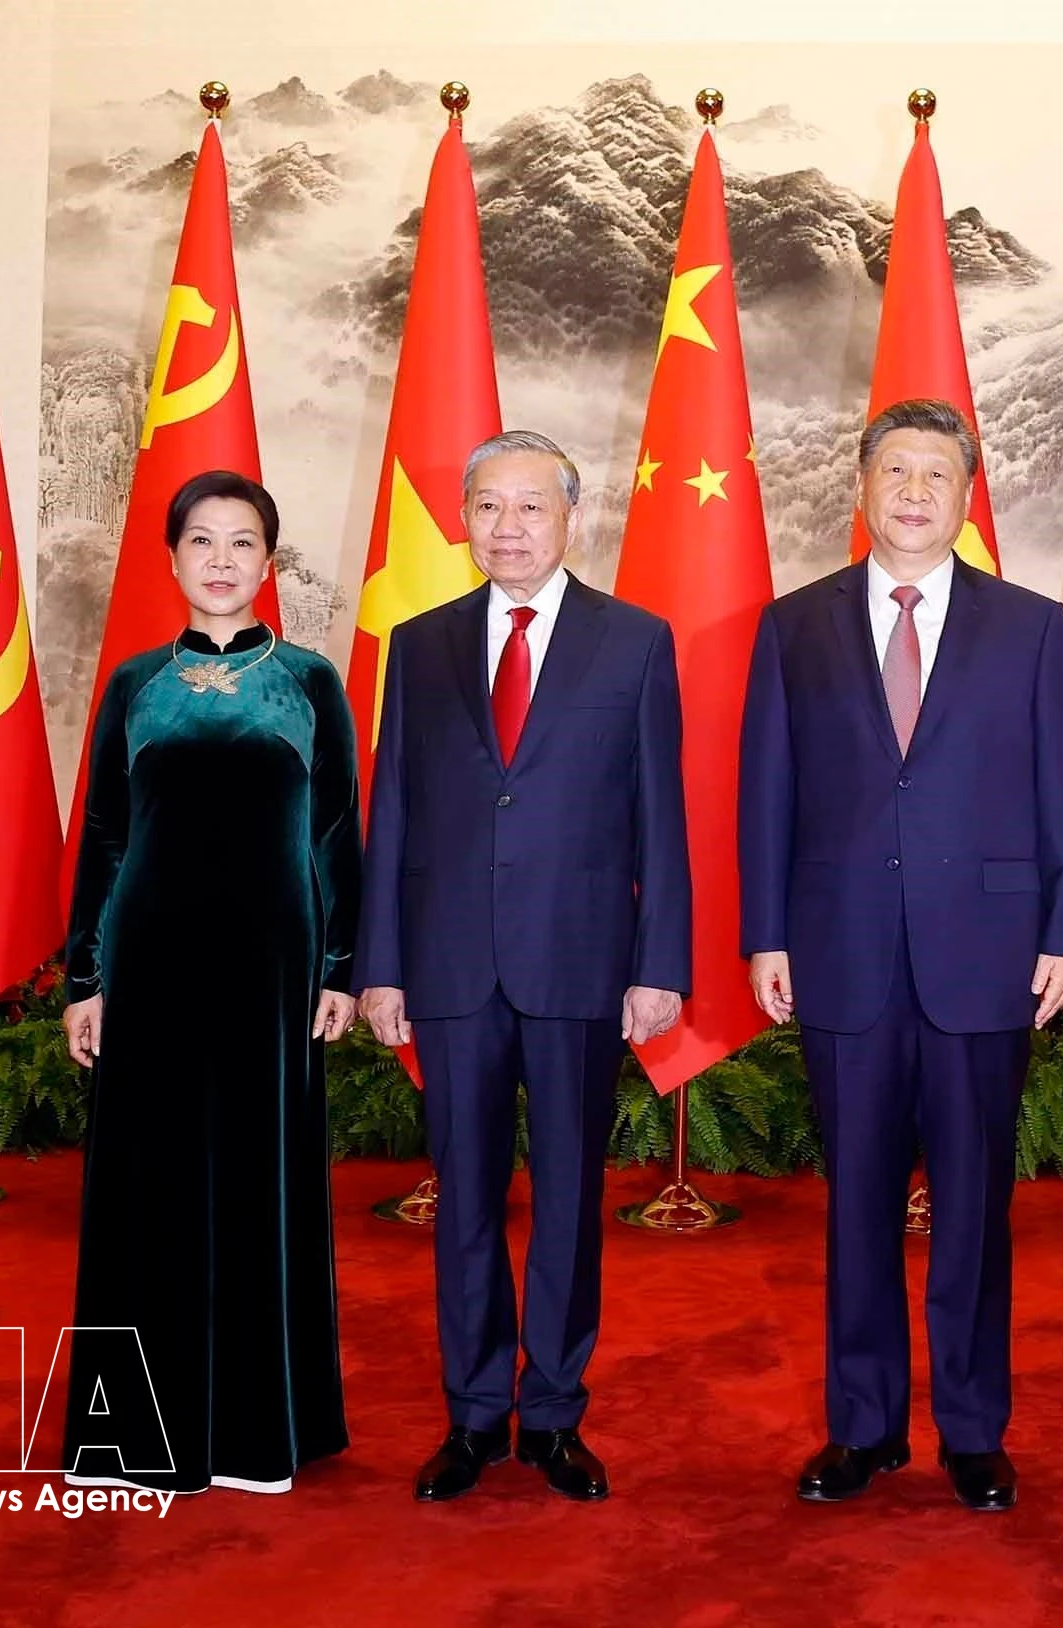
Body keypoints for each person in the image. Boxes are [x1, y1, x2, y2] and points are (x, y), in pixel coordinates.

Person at [737, 397, 1063, 1513]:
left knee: (974, 1208)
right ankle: (864, 1428)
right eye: (895, 470)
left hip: (986, 958)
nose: (913, 491)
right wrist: (765, 932)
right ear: (862, 486)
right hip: (840, 953)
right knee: (856, 1204)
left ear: (966, 495)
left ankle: (975, 1432)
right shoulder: (794, 625)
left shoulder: (1030, 626)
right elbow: (767, 790)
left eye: (937, 474)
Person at [355, 430, 690, 1505]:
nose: (508, 527)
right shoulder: (420, 644)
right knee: (462, 1198)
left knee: (568, 1200)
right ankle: (471, 1415)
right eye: (489, 506)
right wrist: (381, 965)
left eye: (531, 506)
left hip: (580, 963)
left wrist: (660, 962)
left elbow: (661, 816)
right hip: (449, 966)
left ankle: (551, 1413)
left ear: (570, 518)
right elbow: (394, 811)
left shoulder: (634, 642)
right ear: (465, 519)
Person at [59, 470, 361, 1496]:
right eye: (201, 540)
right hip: (149, 962)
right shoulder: (134, 683)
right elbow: (104, 834)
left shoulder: (312, 682)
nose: (221, 559)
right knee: (147, 1180)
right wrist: (85, 977)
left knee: (260, 1178)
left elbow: (336, 833)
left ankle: (255, 1432)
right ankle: (138, 1433)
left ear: (267, 562)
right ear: (173, 557)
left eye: (242, 542)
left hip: (274, 969)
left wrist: (342, 967)